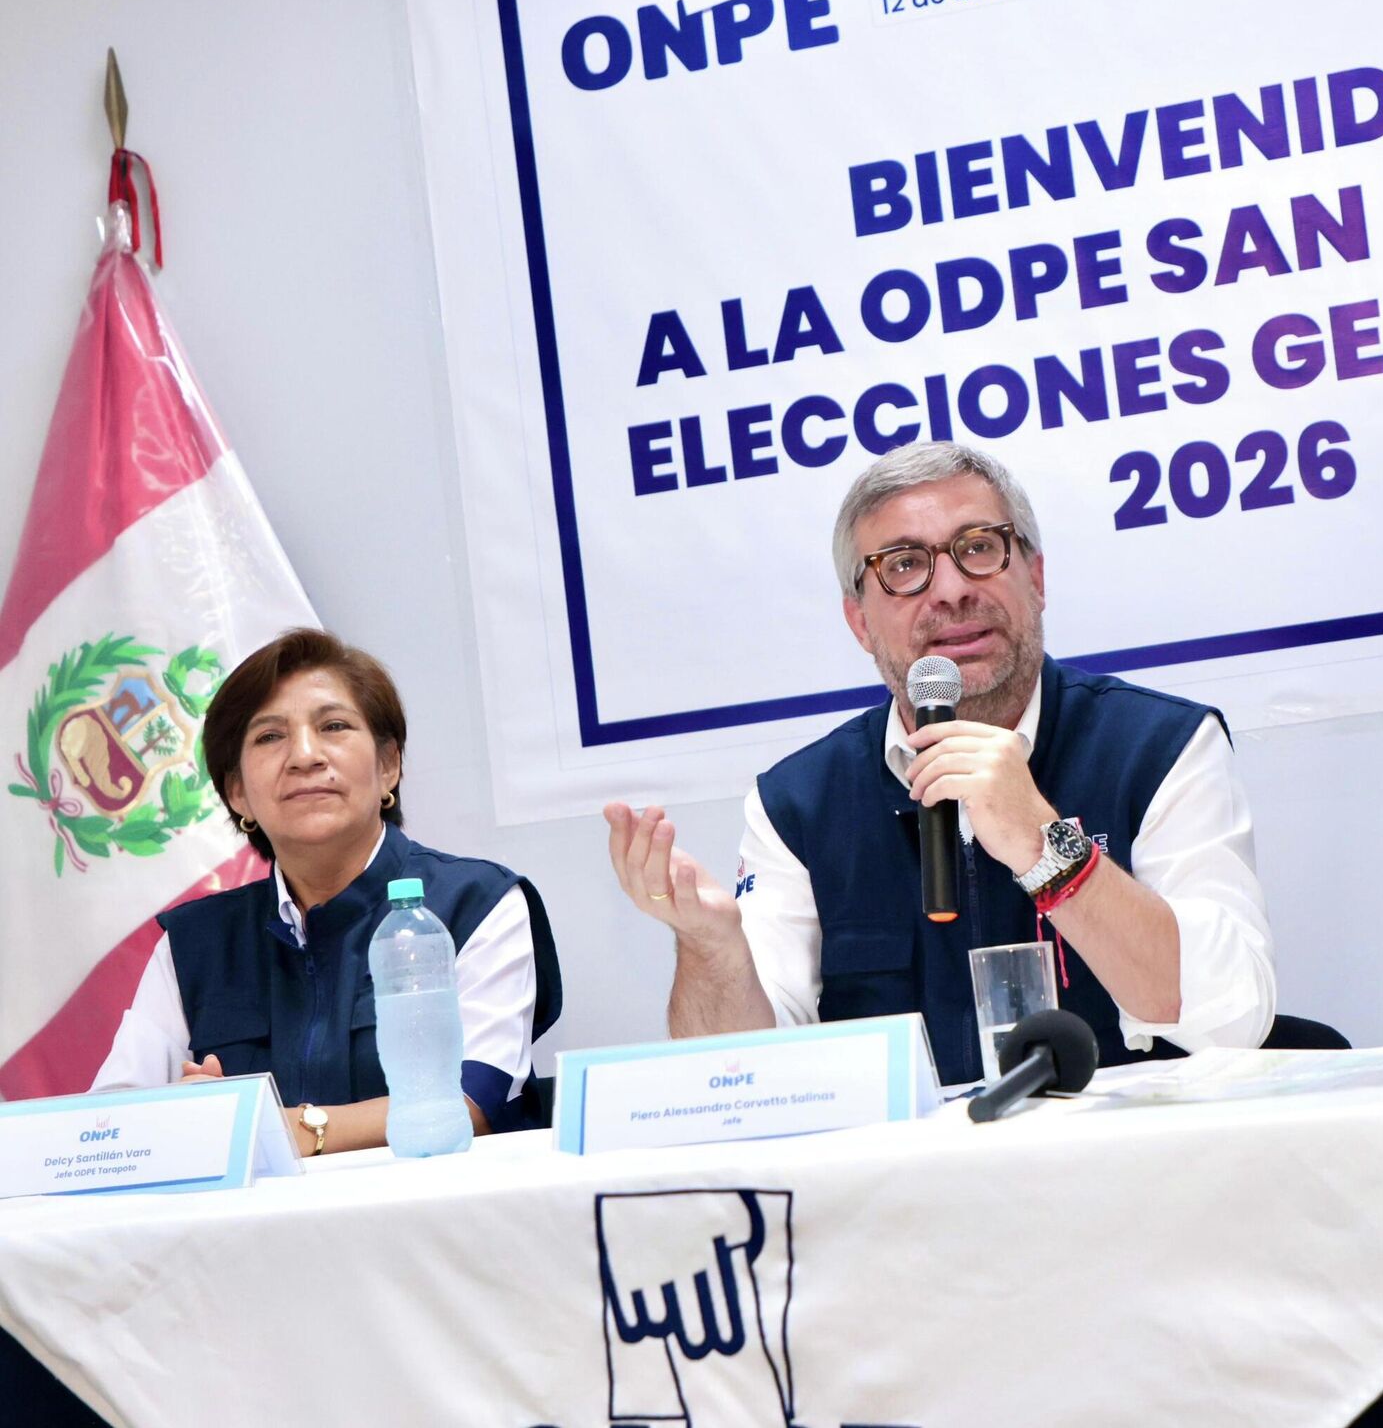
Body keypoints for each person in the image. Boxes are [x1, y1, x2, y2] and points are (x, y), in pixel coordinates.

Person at [606, 441, 1277, 1082]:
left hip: (1129, 1153)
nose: (951, 589)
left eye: (979, 547)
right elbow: (741, 1076)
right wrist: (712, 952)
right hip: (904, 1165)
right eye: (903, 565)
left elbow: (1234, 1020)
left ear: (1036, 578)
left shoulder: (1159, 747)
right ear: (860, 622)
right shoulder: (798, 805)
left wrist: (1047, 848)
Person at [92, 629, 562, 1151]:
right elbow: (111, 1123)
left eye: (333, 726)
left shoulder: (476, 903)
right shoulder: (194, 942)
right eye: (270, 737)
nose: (304, 755)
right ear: (237, 792)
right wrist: (177, 1115)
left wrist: (258, 1127)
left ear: (388, 765)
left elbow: (470, 1101)